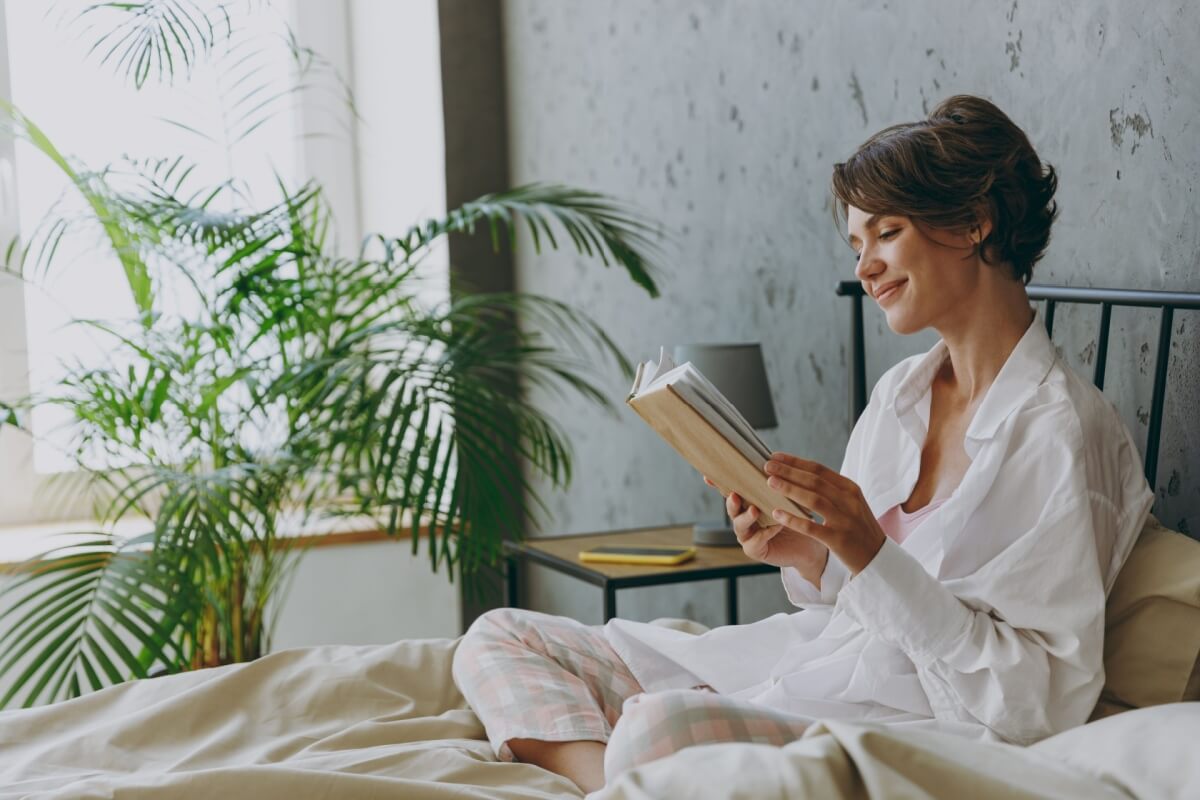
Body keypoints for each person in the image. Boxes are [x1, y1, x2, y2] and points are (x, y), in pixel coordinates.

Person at [451, 94, 1155, 795]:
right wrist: (810, 555)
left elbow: (1040, 702)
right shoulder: (900, 394)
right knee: (500, 635)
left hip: (908, 721)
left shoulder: (1063, 432)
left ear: (975, 222)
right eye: (857, 245)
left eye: (886, 232)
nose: (866, 268)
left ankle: (627, 774)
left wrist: (868, 552)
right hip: (810, 667)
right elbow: (853, 600)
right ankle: (612, 787)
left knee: (652, 728)